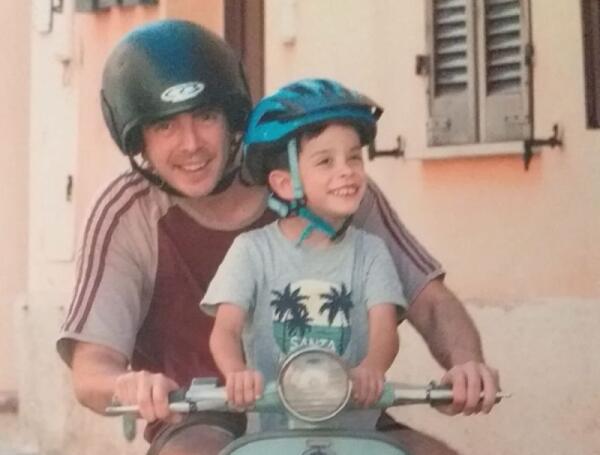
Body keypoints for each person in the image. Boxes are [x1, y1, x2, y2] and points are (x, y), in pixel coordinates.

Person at [56, 19, 499, 455]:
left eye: (206, 116)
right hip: (201, 413)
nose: (190, 143)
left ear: (232, 118)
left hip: (338, 405)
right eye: (164, 126)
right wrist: (129, 384)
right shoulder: (128, 212)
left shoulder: (323, 183)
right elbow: (91, 368)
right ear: (138, 141)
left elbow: (429, 300)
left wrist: (466, 365)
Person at [202, 79, 406, 432]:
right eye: (326, 161)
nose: (347, 170)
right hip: (272, 439)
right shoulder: (252, 251)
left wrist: (373, 367)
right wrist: (236, 372)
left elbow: (385, 329)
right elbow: (225, 330)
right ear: (284, 184)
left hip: (354, 438)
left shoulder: (371, 252)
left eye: (354, 157)